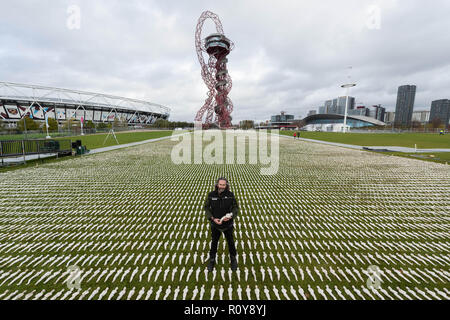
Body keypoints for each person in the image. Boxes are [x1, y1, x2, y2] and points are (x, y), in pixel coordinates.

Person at [204, 177, 240, 272]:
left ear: (226, 185)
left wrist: (231, 216)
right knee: (214, 242)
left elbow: (235, 207)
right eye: (220, 185)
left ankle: (233, 258)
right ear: (217, 185)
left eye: (224, 185)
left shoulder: (230, 195)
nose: (222, 187)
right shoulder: (211, 195)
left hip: (227, 224)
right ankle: (212, 260)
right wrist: (212, 218)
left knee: (230, 241)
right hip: (215, 225)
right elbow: (206, 208)